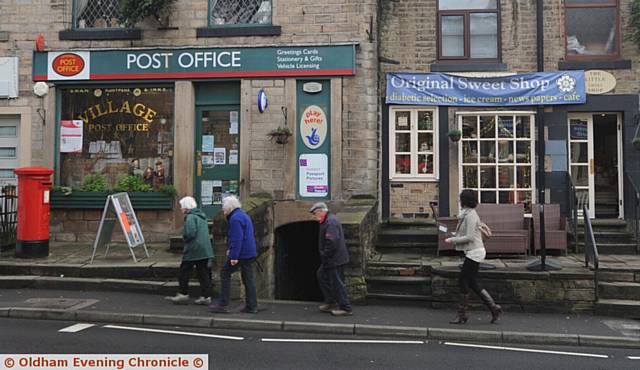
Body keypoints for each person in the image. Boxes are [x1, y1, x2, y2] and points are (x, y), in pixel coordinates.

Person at [444, 190, 503, 324]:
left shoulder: (471, 216)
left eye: (461, 199)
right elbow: (466, 232)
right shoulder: (466, 215)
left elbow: (470, 237)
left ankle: (462, 315)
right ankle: (494, 308)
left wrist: (452, 240)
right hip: (473, 251)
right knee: (472, 283)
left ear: (465, 201)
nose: (459, 201)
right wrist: (453, 235)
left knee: (462, 281)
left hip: (475, 252)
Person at [209, 195, 258, 314]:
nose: (223, 210)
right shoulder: (243, 215)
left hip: (241, 253)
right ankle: (252, 305)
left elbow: (237, 238)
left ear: (230, 208)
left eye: (224, 208)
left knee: (225, 273)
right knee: (248, 279)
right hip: (249, 252)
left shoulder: (235, 219)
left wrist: (234, 256)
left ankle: (223, 303)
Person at [165, 196, 214, 305]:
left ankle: (183, 294)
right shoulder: (201, 216)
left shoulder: (191, 217)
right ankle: (206, 296)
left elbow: (190, 233)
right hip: (205, 249)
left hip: (194, 249)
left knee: (184, 271)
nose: (181, 209)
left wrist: (185, 238)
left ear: (186, 207)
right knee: (203, 273)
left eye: (182, 207)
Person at [310, 202, 352, 317]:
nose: (313, 216)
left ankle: (346, 307)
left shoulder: (330, 222)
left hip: (334, 259)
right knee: (322, 276)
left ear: (320, 211)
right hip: (331, 259)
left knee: (337, 283)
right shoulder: (326, 220)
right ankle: (331, 302)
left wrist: (325, 254)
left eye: (314, 213)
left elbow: (332, 242)